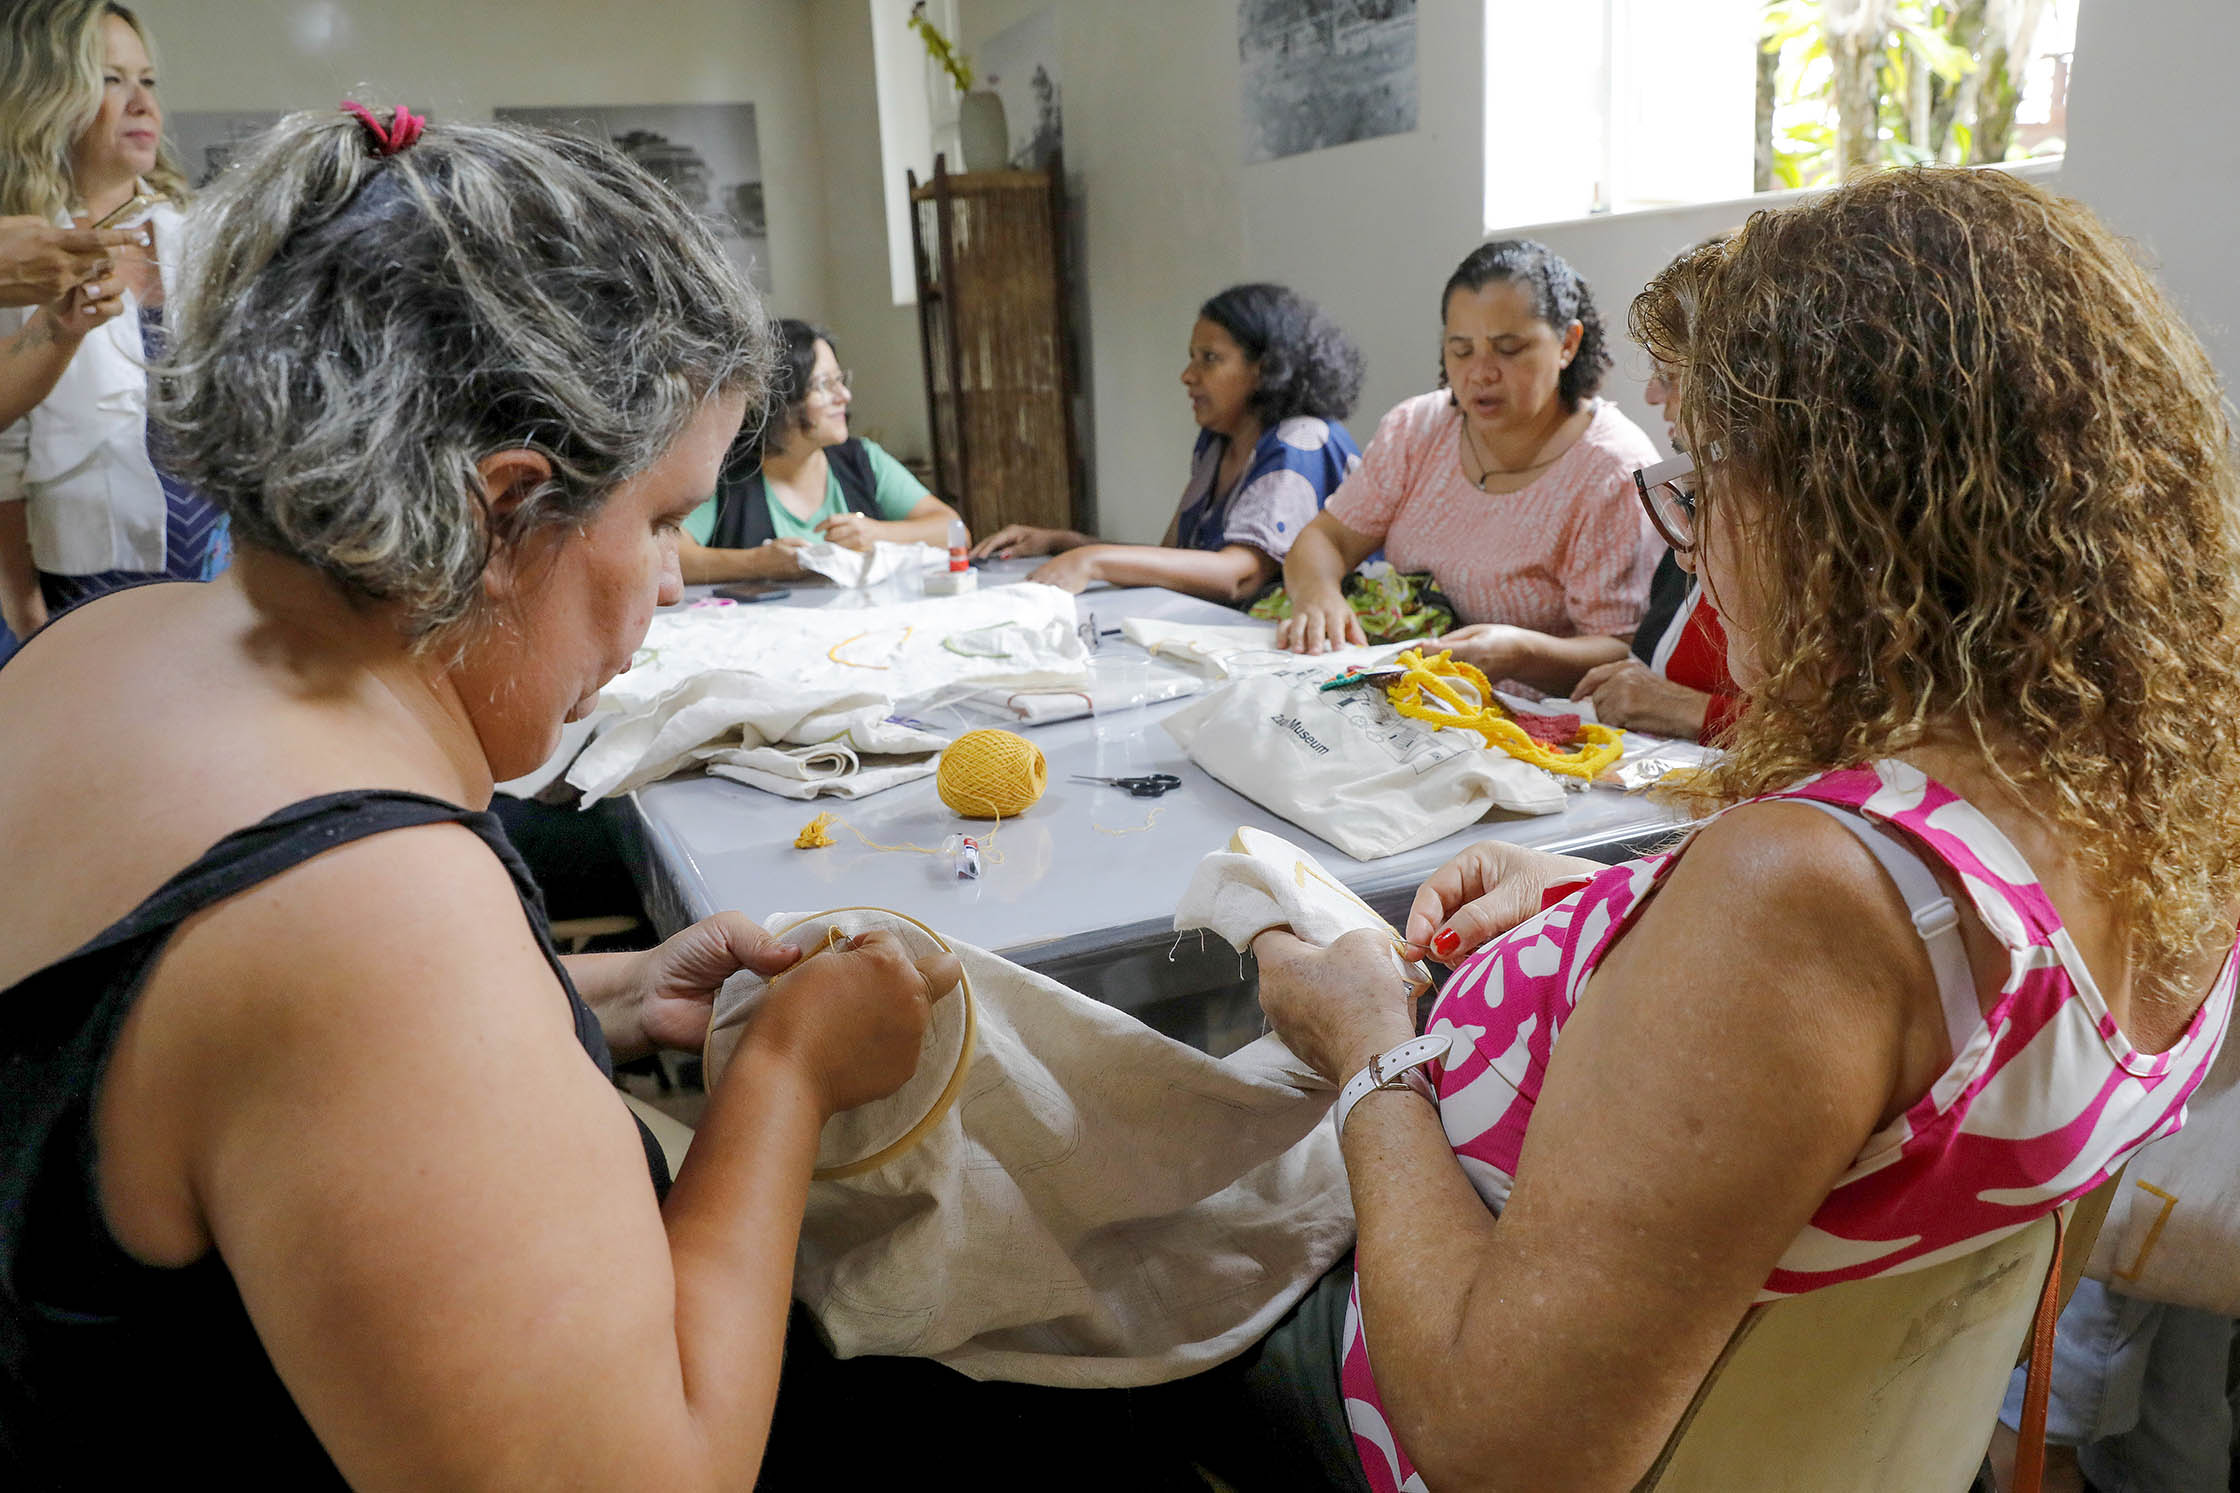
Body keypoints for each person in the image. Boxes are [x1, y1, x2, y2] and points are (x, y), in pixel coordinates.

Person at [764, 167, 2240, 1493]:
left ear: (1862, 510)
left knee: (957, 1302)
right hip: (1784, 1404)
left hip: (1424, 1369)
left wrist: (1371, 1044)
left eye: (1706, 477)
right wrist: (1625, 901)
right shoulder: (2158, 812)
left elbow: (1502, 1445)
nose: (1696, 536)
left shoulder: (1815, 899)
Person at [0, 109, 958, 1488]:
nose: (677, 578)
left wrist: (587, 1006)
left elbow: (237, 1085)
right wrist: (786, 1079)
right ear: (501, 516)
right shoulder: (367, 921)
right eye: (666, 522)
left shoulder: (103, 648)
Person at [1274, 239, 1659, 695]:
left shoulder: (1611, 471)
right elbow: (1326, 538)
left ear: (1568, 344)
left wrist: (1521, 654)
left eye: (1509, 348)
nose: (1481, 373)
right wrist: (1318, 594)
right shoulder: (1419, 428)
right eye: (1461, 350)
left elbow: (1626, 649)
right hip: (1404, 697)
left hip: (1531, 723)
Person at [0, 1, 225, 642]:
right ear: (47, 96)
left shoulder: (205, 239)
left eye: (148, 80)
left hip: (224, 567)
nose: (141, 104)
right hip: (87, 576)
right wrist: (25, 615)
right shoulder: (20, 257)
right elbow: (3, 461)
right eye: (110, 79)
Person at [970, 282, 1364, 605]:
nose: (1187, 376)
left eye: (1210, 358)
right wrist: (1064, 543)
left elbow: (1239, 576)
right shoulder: (1216, 443)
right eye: (1191, 357)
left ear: (1266, 368)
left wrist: (1092, 561)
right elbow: (1174, 557)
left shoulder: (1301, 440)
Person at [1568, 235, 1747, 743]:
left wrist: (1693, 712)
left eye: (1668, 376)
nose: (1650, 395)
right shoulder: (1693, 494)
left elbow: (1859, 740)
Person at [674, 318, 963, 583]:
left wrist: (878, 534)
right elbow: (671, 557)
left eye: (841, 381)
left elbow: (952, 529)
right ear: (781, 399)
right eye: (825, 385)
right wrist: (756, 563)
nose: (845, 396)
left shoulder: (862, 460)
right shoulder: (728, 475)